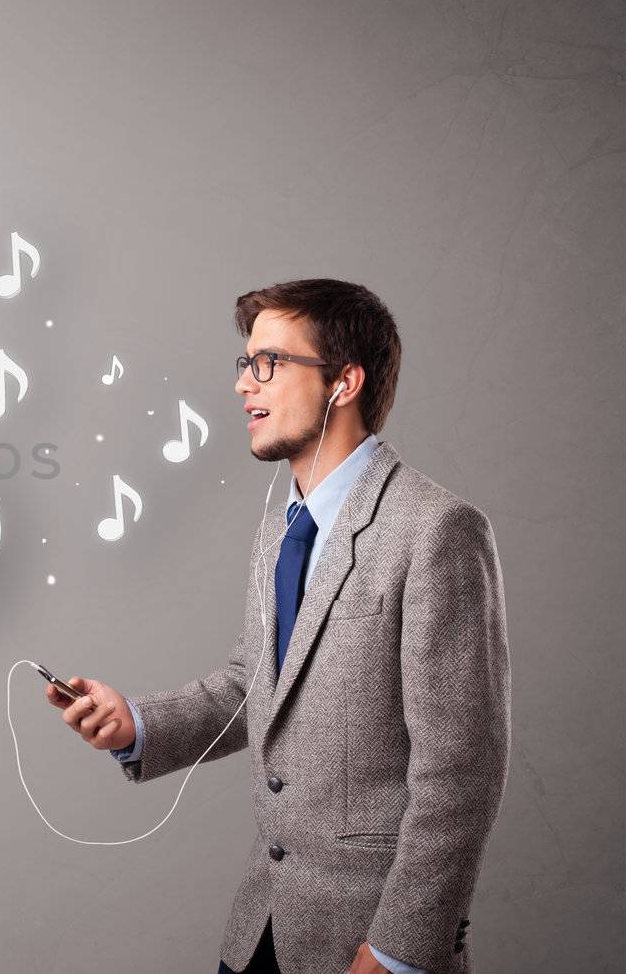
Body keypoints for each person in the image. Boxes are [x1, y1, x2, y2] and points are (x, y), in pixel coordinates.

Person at [47, 280, 510, 973]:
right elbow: (256, 682)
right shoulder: (281, 522)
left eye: (270, 363)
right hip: (261, 931)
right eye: (244, 362)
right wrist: (135, 724)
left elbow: (461, 771)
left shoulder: (436, 530)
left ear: (343, 382)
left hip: (371, 944)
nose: (243, 384)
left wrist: (399, 949)